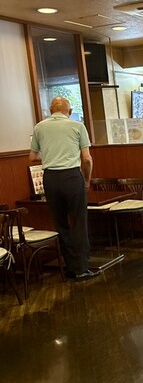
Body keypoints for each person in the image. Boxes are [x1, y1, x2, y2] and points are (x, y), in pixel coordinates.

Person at [29, 97, 100, 280]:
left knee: (60, 224)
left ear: (50, 110)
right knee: (78, 222)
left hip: (50, 179)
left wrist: (51, 155)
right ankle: (81, 268)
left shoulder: (39, 127)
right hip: (72, 177)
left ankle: (70, 266)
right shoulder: (77, 126)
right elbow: (87, 159)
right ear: (70, 111)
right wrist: (86, 180)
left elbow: (32, 157)